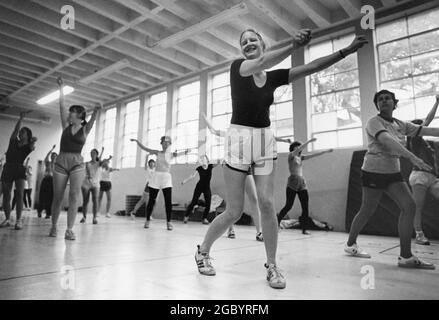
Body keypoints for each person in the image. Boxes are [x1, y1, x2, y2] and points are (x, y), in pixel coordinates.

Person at [195, 28, 368, 289]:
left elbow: (311, 67)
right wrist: (292, 45)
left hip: (264, 140)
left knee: (266, 203)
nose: (248, 43)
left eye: (253, 39)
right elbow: (264, 62)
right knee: (234, 211)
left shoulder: (275, 77)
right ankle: (203, 251)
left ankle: (272, 265)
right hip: (239, 139)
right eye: (244, 41)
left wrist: (346, 50)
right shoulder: (238, 68)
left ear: (263, 43)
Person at [344, 89, 439, 270]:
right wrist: (413, 158)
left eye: (388, 98)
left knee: (409, 206)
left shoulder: (400, 124)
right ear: (377, 105)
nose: (384, 101)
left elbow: (427, 128)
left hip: (392, 173)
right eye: (380, 99)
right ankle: (350, 244)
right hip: (373, 171)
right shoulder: (374, 122)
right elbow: (387, 140)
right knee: (367, 209)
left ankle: (405, 256)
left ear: (394, 103)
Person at [50, 77, 101, 240]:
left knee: (73, 196)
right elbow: (61, 106)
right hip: (61, 162)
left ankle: (70, 229)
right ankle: (53, 226)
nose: (69, 113)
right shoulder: (66, 125)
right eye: (70, 111)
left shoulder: (85, 128)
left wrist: (98, 109)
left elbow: (94, 117)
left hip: (77, 163)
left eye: (72, 112)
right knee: (57, 197)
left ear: (79, 115)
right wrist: (61, 87)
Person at [131, 136, 189, 231]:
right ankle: (147, 220)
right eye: (164, 142)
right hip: (156, 177)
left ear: (170, 144)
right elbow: (145, 148)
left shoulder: (171, 154)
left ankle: (168, 222)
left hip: (166, 178)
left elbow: (180, 154)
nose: (166, 144)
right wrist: (137, 141)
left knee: (168, 201)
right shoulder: (157, 152)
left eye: (168, 143)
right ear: (161, 143)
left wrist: (186, 152)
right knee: (151, 200)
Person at [277, 138, 333, 234]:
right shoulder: (291, 155)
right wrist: (309, 141)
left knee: (305, 206)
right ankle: (277, 222)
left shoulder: (300, 157)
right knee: (289, 205)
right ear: (293, 148)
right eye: (296, 147)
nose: (299, 148)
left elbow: (313, 155)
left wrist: (325, 151)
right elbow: (298, 150)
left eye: (299, 147)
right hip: (293, 181)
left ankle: (304, 229)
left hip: (302, 182)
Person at [407, 94, 439, 245]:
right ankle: (419, 234)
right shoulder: (415, 139)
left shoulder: (427, 144)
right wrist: (437, 103)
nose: (424, 128)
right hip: (419, 176)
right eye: (421, 127)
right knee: (417, 207)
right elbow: (427, 121)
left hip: (432, 177)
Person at [0, 111, 37, 229]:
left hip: (19, 169)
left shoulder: (29, 146)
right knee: (6, 195)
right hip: (8, 167)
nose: (20, 133)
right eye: (20, 132)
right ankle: (7, 219)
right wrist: (21, 118)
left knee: (20, 194)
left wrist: (34, 140)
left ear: (28, 135)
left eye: (23, 132)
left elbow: (32, 145)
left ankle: (19, 220)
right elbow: (15, 130)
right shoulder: (13, 140)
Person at [182, 155, 218, 225]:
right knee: (194, 201)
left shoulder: (210, 166)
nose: (202, 161)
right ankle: (186, 216)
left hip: (206, 187)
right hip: (199, 187)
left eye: (204, 159)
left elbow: (218, 162)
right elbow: (192, 175)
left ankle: (204, 218)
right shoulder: (199, 168)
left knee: (208, 203)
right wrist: (185, 181)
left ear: (207, 160)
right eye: (201, 160)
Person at [79, 148, 110, 224]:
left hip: (96, 184)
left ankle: (94, 218)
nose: (92, 154)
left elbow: (102, 162)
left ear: (96, 155)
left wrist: (108, 157)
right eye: (91, 153)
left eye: (94, 153)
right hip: (86, 184)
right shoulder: (87, 163)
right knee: (85, 201)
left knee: (95, 201)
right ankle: (84, 217)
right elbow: (87, 172)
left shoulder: (98, 163)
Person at [37, 145, 57, 219]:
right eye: (52, 156)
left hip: (53, 181)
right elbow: (46, 157)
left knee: (50, 197)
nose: (53, 157)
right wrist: (51, 150)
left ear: (56, 157)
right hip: (46, 180)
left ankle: (48, 213)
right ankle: (39, 211)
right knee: (42, 196)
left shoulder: (57, 165)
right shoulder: (48, 163)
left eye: (55, 156)